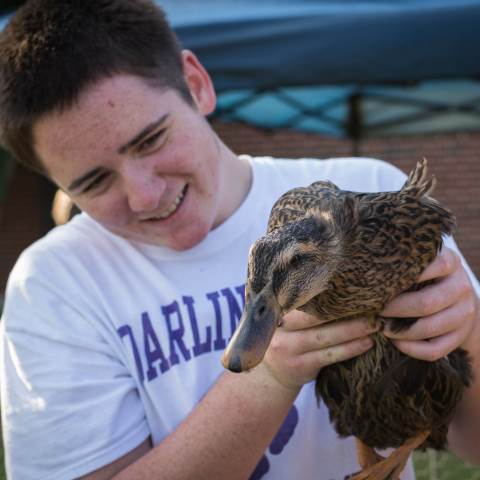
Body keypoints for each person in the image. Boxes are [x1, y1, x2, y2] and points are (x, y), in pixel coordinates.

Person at [0, 1, 479, 479]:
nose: (145, 196)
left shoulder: (372, 190)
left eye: (151, 140)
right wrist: (270, 376)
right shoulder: (53, 287)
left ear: (197, 84)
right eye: (93, 183)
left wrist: (467, 329)